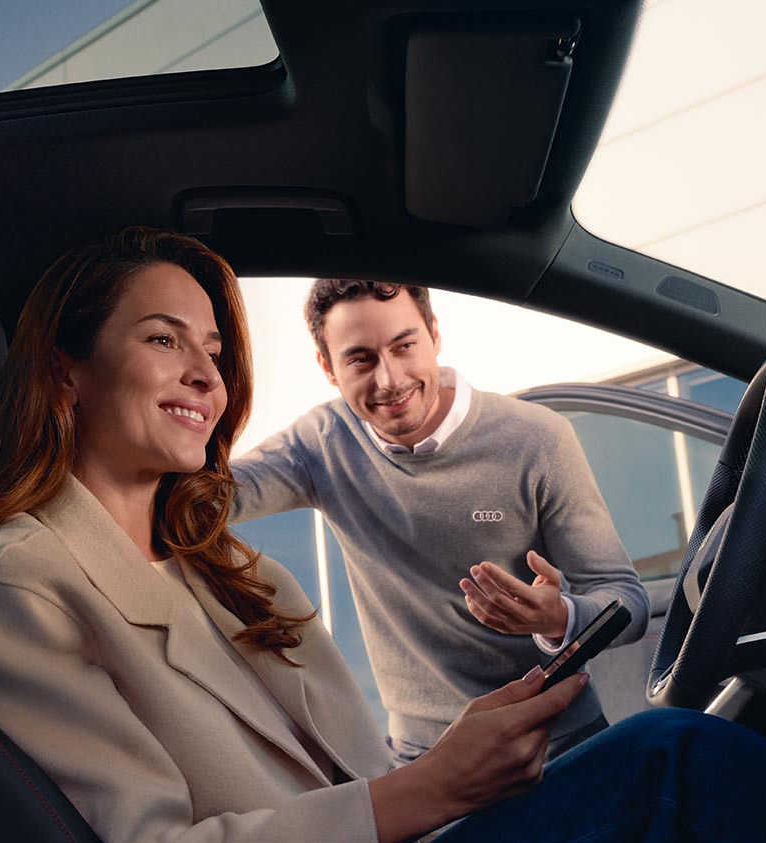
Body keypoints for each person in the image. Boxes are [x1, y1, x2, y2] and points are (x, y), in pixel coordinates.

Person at [0, 227, 766, 843]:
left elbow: (609, 590)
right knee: (674, 769)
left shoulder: (219, 570)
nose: (209, 375)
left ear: (437, 340)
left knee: (667, 768)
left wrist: (480, 730)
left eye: (214, 347)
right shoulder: (16, 583)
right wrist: (431, 786)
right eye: (164, 339)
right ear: (63, 372)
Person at [231, 280, 647, 763]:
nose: (389, 379)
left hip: (560, 741)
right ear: (327, 367)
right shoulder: (322, 444)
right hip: (425, 758)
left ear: (433, 333)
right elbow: (207, 498)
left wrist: (558, 619)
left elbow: (627, 602)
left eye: (404, 346)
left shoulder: (537, 440)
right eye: (360, 359)